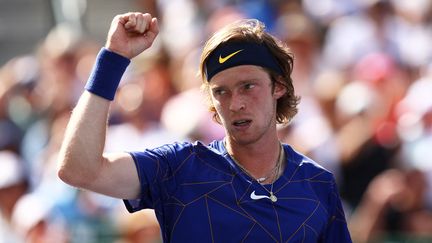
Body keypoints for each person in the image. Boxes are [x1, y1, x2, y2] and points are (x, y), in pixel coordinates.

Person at [58, 12, 352, 242]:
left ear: (278, 87)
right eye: (221, 92)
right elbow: (78, 169)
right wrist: (113, 59)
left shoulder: (318, 184)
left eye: (248, 86)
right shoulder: (178, 168)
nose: (236, 103)